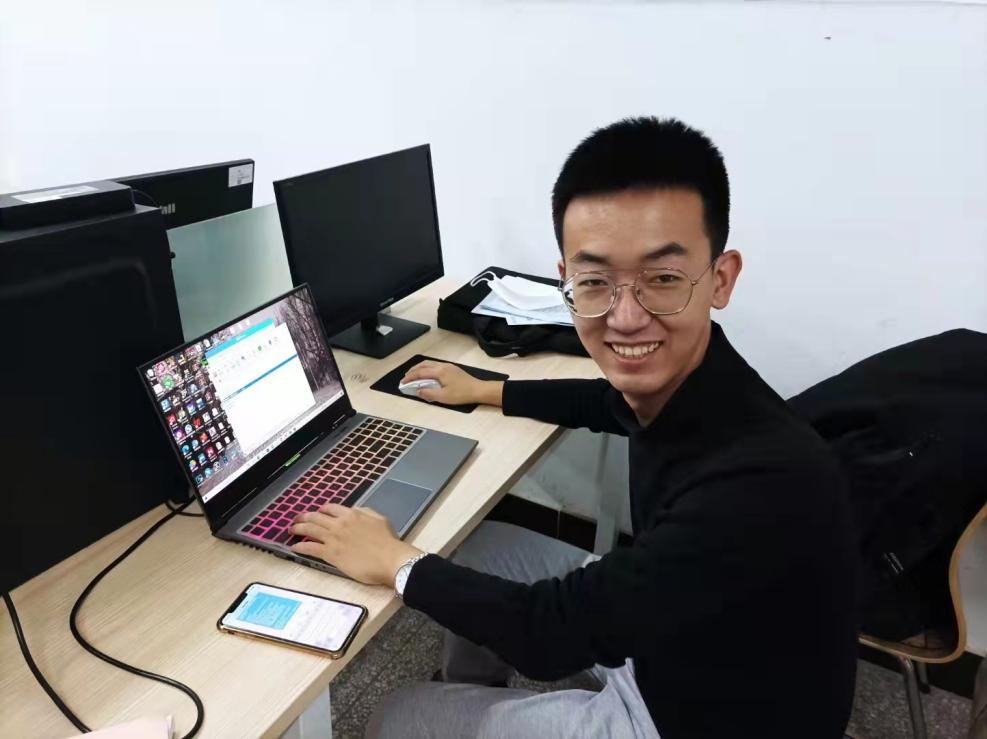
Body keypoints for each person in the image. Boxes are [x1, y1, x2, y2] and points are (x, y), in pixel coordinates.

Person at [288, 117, 857, 739]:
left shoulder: (761, 482)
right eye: (595, 282)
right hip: (677, 637)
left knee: (398, 718)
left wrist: (396, 562)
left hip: (696, 716)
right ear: (567, 280)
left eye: (663, 278)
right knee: (482, 548)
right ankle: (475, 702)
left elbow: (547, 635)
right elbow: (605, 401)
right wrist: (487, 388)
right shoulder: (699, 381)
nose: (626, 317)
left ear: (720, 279)